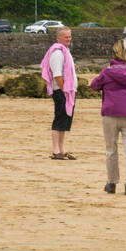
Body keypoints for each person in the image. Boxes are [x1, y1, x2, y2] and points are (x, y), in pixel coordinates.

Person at [89, 38, 126, 195]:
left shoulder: (107, 71)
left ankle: (112, 182)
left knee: (111, 149)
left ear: (114, 53)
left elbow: (94, 85)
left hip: (110, 113)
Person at [42, 27, 77, 159]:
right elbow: (57, 75)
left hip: (67, 92)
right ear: (59, 38)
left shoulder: (65, 51)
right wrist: (64, 90)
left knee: (65, 121)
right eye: (66, 37)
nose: (69, 39)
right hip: (61, 91)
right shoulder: (57, 53)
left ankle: (61, 150)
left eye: (69, 36)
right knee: (59, 119)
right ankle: (56, 151)